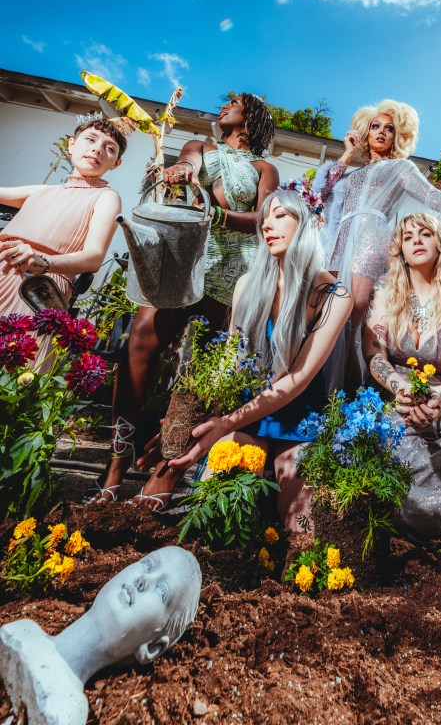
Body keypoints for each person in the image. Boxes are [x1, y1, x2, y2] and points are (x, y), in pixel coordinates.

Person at [86, 92, 278, 504]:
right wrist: (183, 170)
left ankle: (167, 471)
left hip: (233, 271)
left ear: (252, 117)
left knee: (206, 370)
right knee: (141, 341)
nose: (224, 105)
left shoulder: (265, 169)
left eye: (234, 102)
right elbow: (189, 165)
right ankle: (117, 460)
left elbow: (264, 220)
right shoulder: (200, 147)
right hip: (185, 257)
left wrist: (218, 214)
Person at [136, 185, 353, 525]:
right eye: (264, 218)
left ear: (308, 223)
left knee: (301, 523)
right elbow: (230, 364)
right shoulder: (247, 285)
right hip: (247, 415)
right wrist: (188, 422)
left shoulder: (334, 296)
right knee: (217, 512)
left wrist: (225, 422)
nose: (266, 225)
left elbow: (298, 378)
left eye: (279, 215)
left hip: (301, 419)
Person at [313, 99, 441, 327]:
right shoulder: (350, 174)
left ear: (398, 136)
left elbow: (431, 196)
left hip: (369, 238)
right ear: (365, 131)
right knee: (328, 304)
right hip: (338, 241)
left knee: (356, 306)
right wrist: (348, 154)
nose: (381, 132)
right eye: (375, 126)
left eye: (390, 129)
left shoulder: (401, 167)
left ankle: (358, 350)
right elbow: (319, 196)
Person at [362, 212, 441, 540]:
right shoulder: (386, 297)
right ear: (401, 251)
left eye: (425, 234)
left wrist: (437, 396)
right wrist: (402, 388)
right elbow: (374, 355)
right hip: (396, 407)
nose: (416, 241)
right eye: (407, 237)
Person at [0, 546, 201, 725]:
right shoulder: (23, 631)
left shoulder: (67, 709)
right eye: (148, 565)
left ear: (152, 647)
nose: (144, 580)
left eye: (162, 591)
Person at [0, 119, 125, 352]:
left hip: (38, 286)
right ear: (72, 145)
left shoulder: (106, 197)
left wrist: (44, 262)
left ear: (116, 163)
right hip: (2, 268)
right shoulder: (42, 191)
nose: (97, 149)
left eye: (109, 148)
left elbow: (94, 257)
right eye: (90, 140)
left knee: (16, 358)